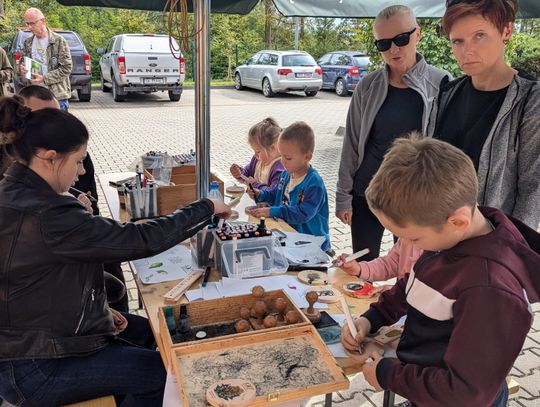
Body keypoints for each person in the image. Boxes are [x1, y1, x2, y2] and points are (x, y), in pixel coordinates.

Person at [0, 96, 231, 406]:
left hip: (42, 339)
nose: (82, 172)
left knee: (163, 331)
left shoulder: (17, 191)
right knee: (168, 374)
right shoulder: (47, 213)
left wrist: (96, 311)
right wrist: (204, 208)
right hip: (35, 367)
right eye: (78, 160)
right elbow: (138, 239)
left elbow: (34, 281)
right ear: (50, 158)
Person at [341, 135, 540, 407]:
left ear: (458, 221)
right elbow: (414, 284)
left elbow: (467, 392)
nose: (408, 246)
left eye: (413, 239)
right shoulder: (450, 237)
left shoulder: (490, 289)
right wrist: (372, 318)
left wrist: (389, 375)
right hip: (427, 390)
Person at [335, 5, 450, 261]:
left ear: (417, 34)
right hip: (367, 192)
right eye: (383, 44)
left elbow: (446, 151)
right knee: (361, 269)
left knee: (411, 272)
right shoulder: (367, 86)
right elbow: (352, 143)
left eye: (401, 39)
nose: (394, 50)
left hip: (414, 198)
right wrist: (343, 196)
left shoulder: (441, 84)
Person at [427, 0, 540, 230]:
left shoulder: (529, 100)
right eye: (457, 41)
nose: (467, 51)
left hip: (492, 246)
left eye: (479, 36)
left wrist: (509, 249)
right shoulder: (447, 94)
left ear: (506, 30)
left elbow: (532, 190)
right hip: (439, 238)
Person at [18, 85, 130, 311]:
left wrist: (80, 208)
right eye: (44, 119)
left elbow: (92, 210)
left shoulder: (73, 156)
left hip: (76, 258)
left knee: (112, 268)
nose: (54, 127)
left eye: (58, 116)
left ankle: (116, 314)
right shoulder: (14, 176)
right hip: (45, 300)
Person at [248, 121, 331, 252]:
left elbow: (303, 213)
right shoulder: (286, 174)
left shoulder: (314, 184)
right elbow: (276, 193)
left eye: (288, 158)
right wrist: (261, 194)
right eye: (281, 156)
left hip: (312, 245)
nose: (282, 161)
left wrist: (272, 211)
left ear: (307, 157)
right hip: (290, 236)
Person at [17, 7, 72, 111]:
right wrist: (22, 69)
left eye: (32, 23)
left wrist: (44, 78)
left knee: (58, 127)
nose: (29, 27)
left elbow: (67, 68)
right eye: (27, 23)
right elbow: (21, 64)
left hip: (56, 97)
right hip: (34, 98)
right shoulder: (27, 43)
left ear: (43, 21)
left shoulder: (58, 41)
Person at [336, 238, 423, 291]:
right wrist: (359, 269)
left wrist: (400, 292)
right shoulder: (406, 237)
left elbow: (431, 295)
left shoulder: (435, 251)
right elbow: (389, 264)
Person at [230, 117, 284, 191]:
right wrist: (240, 173)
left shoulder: (280, 169)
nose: (255, 155)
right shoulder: (257, 160)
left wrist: (254, 185)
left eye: (258, 151)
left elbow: (274, 193)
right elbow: (248, 173)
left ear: (272, 148)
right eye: (254, 151)